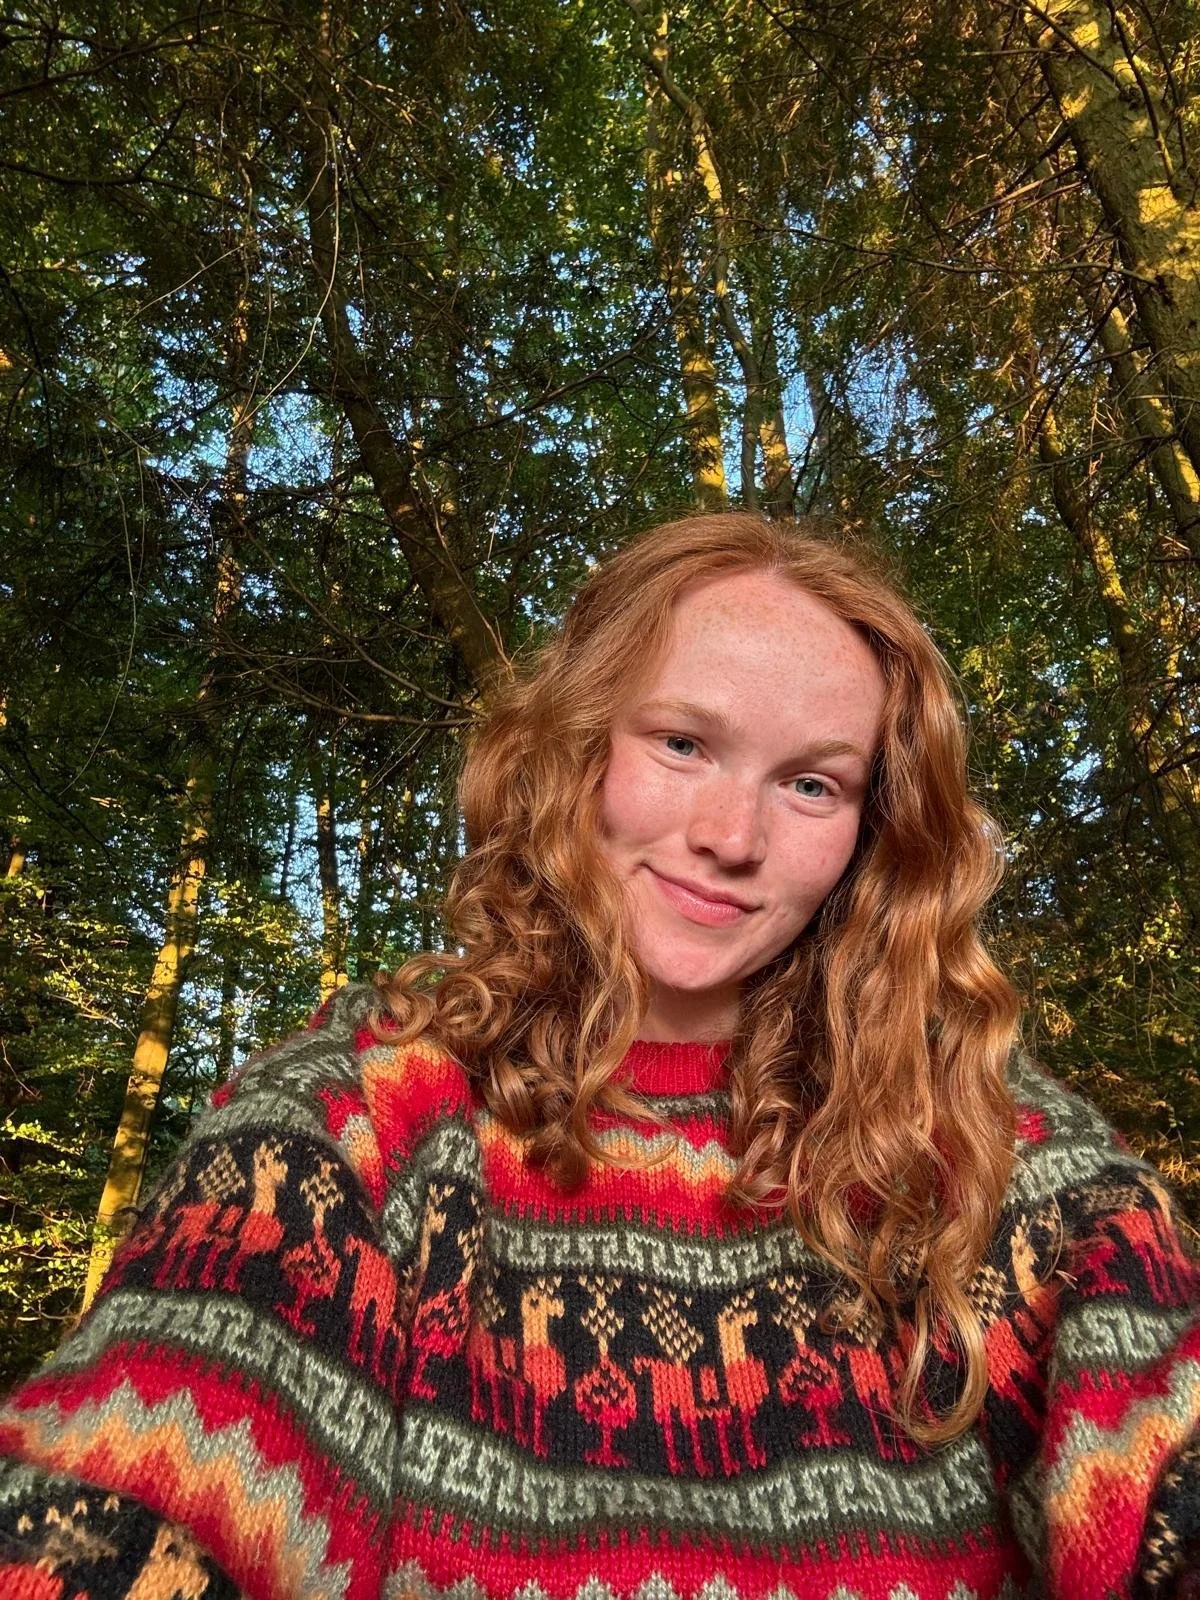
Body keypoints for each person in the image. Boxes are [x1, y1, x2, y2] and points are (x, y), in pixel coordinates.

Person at [1, 511, 1197, 1600]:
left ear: (872, 833)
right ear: (577, 747)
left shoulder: (967, 1132)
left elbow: (1156, 1410)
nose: (731, 836)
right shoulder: (369, 1112)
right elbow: (157, 1456)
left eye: (811, 783)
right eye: (682, 742)